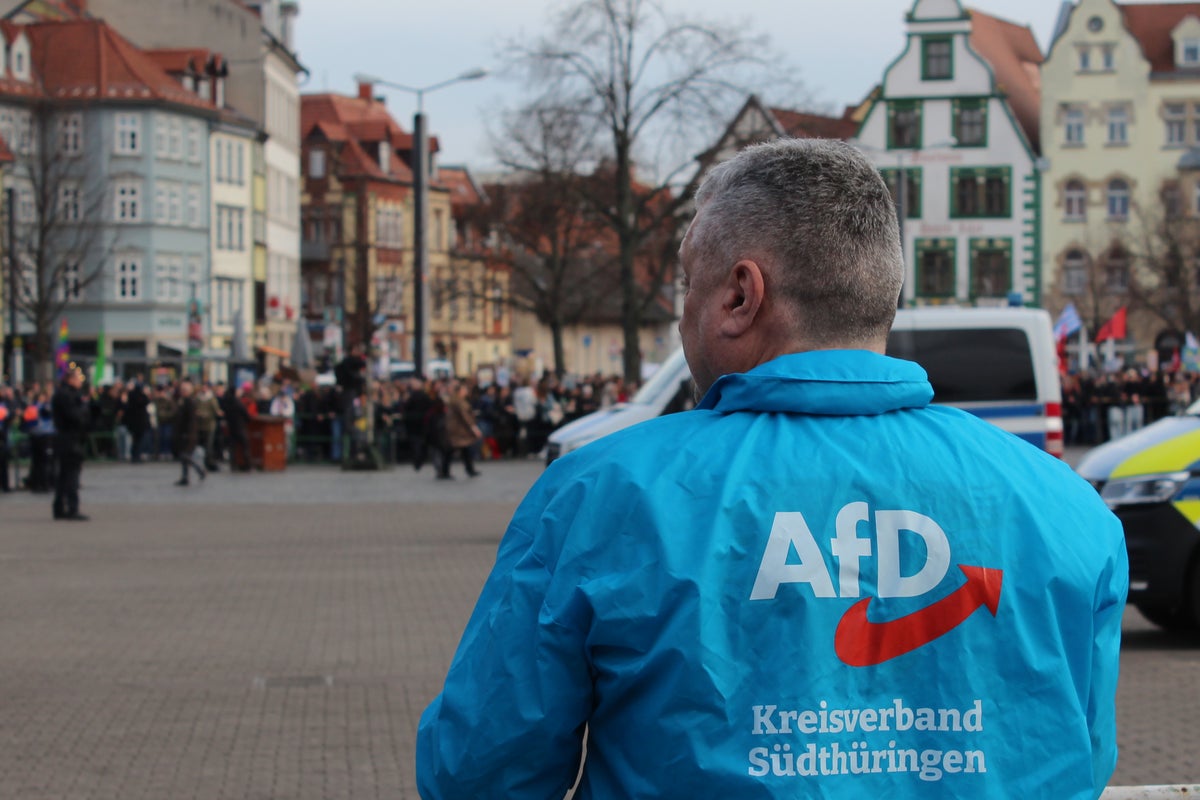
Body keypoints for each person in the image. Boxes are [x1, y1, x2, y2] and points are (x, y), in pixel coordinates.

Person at [416, 140, 1128, 799]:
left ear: (739, 296)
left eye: (688, 284)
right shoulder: (1066, 508)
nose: (681, 316)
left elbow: (479, 772)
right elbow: (1081, 756)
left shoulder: (602, 497)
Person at [50, 364, 89, 520]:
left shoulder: (62, 394)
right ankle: (72, 508)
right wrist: (84, 410)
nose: (80, 382)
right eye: (78, 379)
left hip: (65, 437)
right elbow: (75, 417)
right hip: (70, 438)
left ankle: (59, 507)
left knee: (64, 474)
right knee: (71, 474)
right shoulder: (68, 395)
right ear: (70, 379)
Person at [439, 380, 481, 479]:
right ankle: (466, 470)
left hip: (457, 429)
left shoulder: (456, 400)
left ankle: (447, 471)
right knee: (459, 449)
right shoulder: (458, 401)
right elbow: (465, 416)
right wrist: (474, 428)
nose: (466, 391)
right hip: (458, 430)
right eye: (464, 389)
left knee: (459, 450)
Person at [172, 379, 206, 486]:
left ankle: (199, 470)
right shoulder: (183, 401)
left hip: (188, 434)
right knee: (184, 456)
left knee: (185, 456)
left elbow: (191, 420)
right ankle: (185, 476)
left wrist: (189, 433)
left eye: (184, 390)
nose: (182, 392)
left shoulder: (189, 402)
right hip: (183, 433)